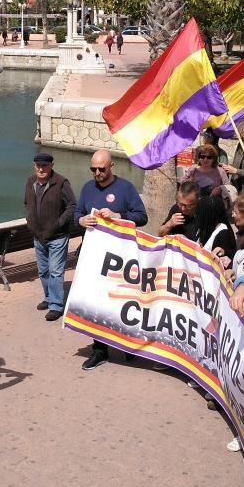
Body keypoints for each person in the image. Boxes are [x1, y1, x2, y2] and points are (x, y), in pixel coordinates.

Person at [76, 149, 148, 371]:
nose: (97, 173)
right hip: (94, 257)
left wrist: (119, 216)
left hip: (120, 259)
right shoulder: (88, 188)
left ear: (111, 167)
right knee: (96, 303)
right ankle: (100, 349)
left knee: (121, 302)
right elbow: (76, 212)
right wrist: (81, 220)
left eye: (101, 169)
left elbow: (142, 217)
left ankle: (126, 345)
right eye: (94, 169)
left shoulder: (125, 188)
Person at [23, 152, 76, 321]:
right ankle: (48, 297)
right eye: (38, 165)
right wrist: (30, 221)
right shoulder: (30, 181)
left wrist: (58, 224)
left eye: (44, 165)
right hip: (38, 235)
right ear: (34, 166)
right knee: (43, 270)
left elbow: (72, 206)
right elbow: (26, 203)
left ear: (51, 166)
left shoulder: (61, 183)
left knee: (55, 271)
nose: (41, 169)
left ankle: (56, 305)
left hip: (57, 236)